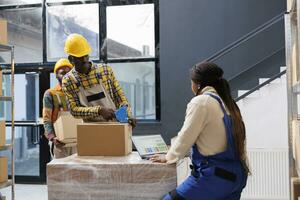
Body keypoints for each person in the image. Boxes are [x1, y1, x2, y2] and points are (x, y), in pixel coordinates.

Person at [150, 62, 249, 200]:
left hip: (215, 177)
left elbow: (186, 136)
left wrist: (168, 157)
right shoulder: (228, 102)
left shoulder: (202, 102)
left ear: (197, 84)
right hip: (236, 177)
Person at [61, 33, 136, 126]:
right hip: (90, 130)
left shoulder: (105, 70)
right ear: (71, 59)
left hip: (115, 125)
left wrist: (126, 115)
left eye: (86, 55)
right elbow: (74, 110)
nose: (84, 60)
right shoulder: (68, 80)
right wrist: (98, 110)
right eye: (79, 57)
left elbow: (120, 98)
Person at [43, 58, 76, 159]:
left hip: (76, 141)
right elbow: (47, 119)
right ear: (57, 75)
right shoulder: (50, 94)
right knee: (61, 173)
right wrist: (52, 138)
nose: (66, 75)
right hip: (59, 142)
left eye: (68, 73)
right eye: (62, 73)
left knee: (78, 172)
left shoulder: (76, 92)